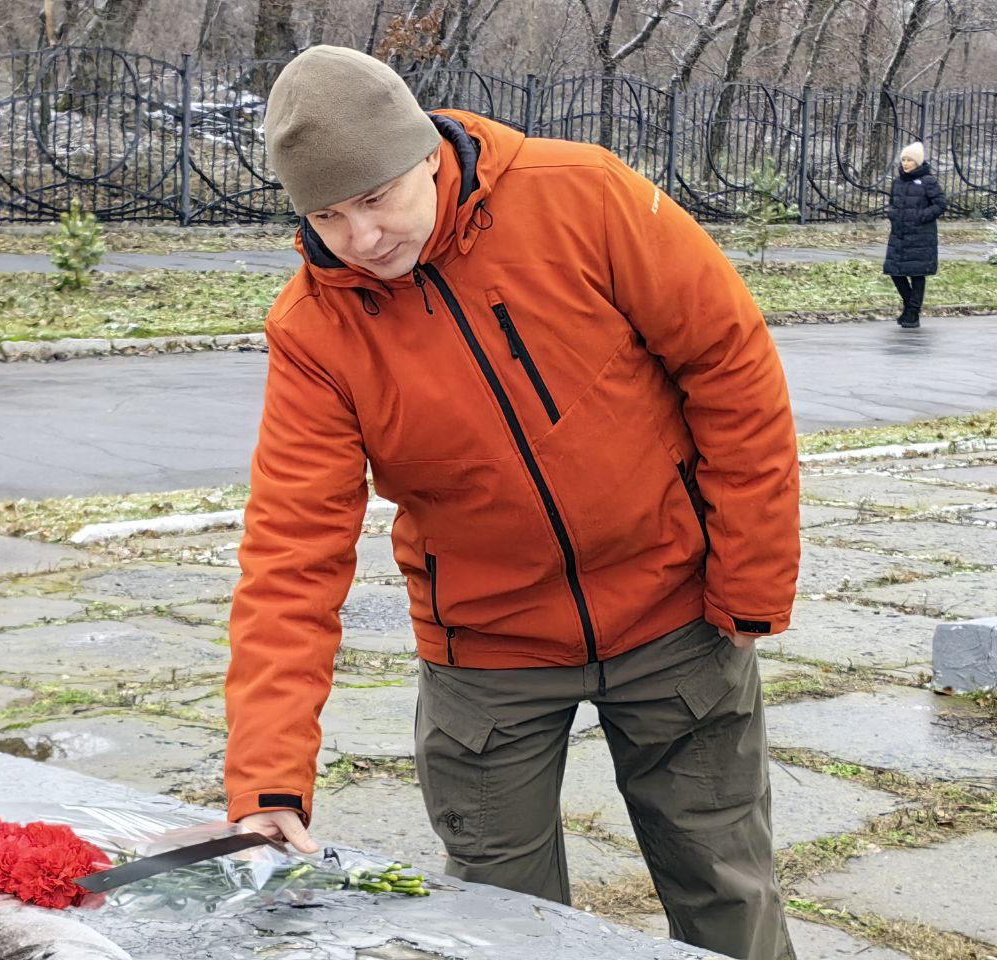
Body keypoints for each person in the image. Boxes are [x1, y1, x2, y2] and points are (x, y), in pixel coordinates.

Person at [223, 45, 800, 960]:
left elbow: (729, 367)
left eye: (374, 197)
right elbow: (293, 551)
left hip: (675, 620)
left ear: (425, 154)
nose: (361, 238)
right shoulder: (314, 330)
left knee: (727, 891)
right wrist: (268, 784)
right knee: (502, 929)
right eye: (327, 215)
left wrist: (752, 581)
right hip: (485, 656)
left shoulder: (584, 195)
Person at [884, 141, 947, 329]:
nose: (905, 163)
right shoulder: (897, 182)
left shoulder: (928, 181)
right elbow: (892, 204)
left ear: (917, 162)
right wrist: (893, 214)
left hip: (921, 236)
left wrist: (921, 216)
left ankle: (912, 313)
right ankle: (910, 308)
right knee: (895, 272)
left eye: (909, 160)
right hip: (900, 235)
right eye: (903, 159)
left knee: (917, 274)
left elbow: (941, 205)